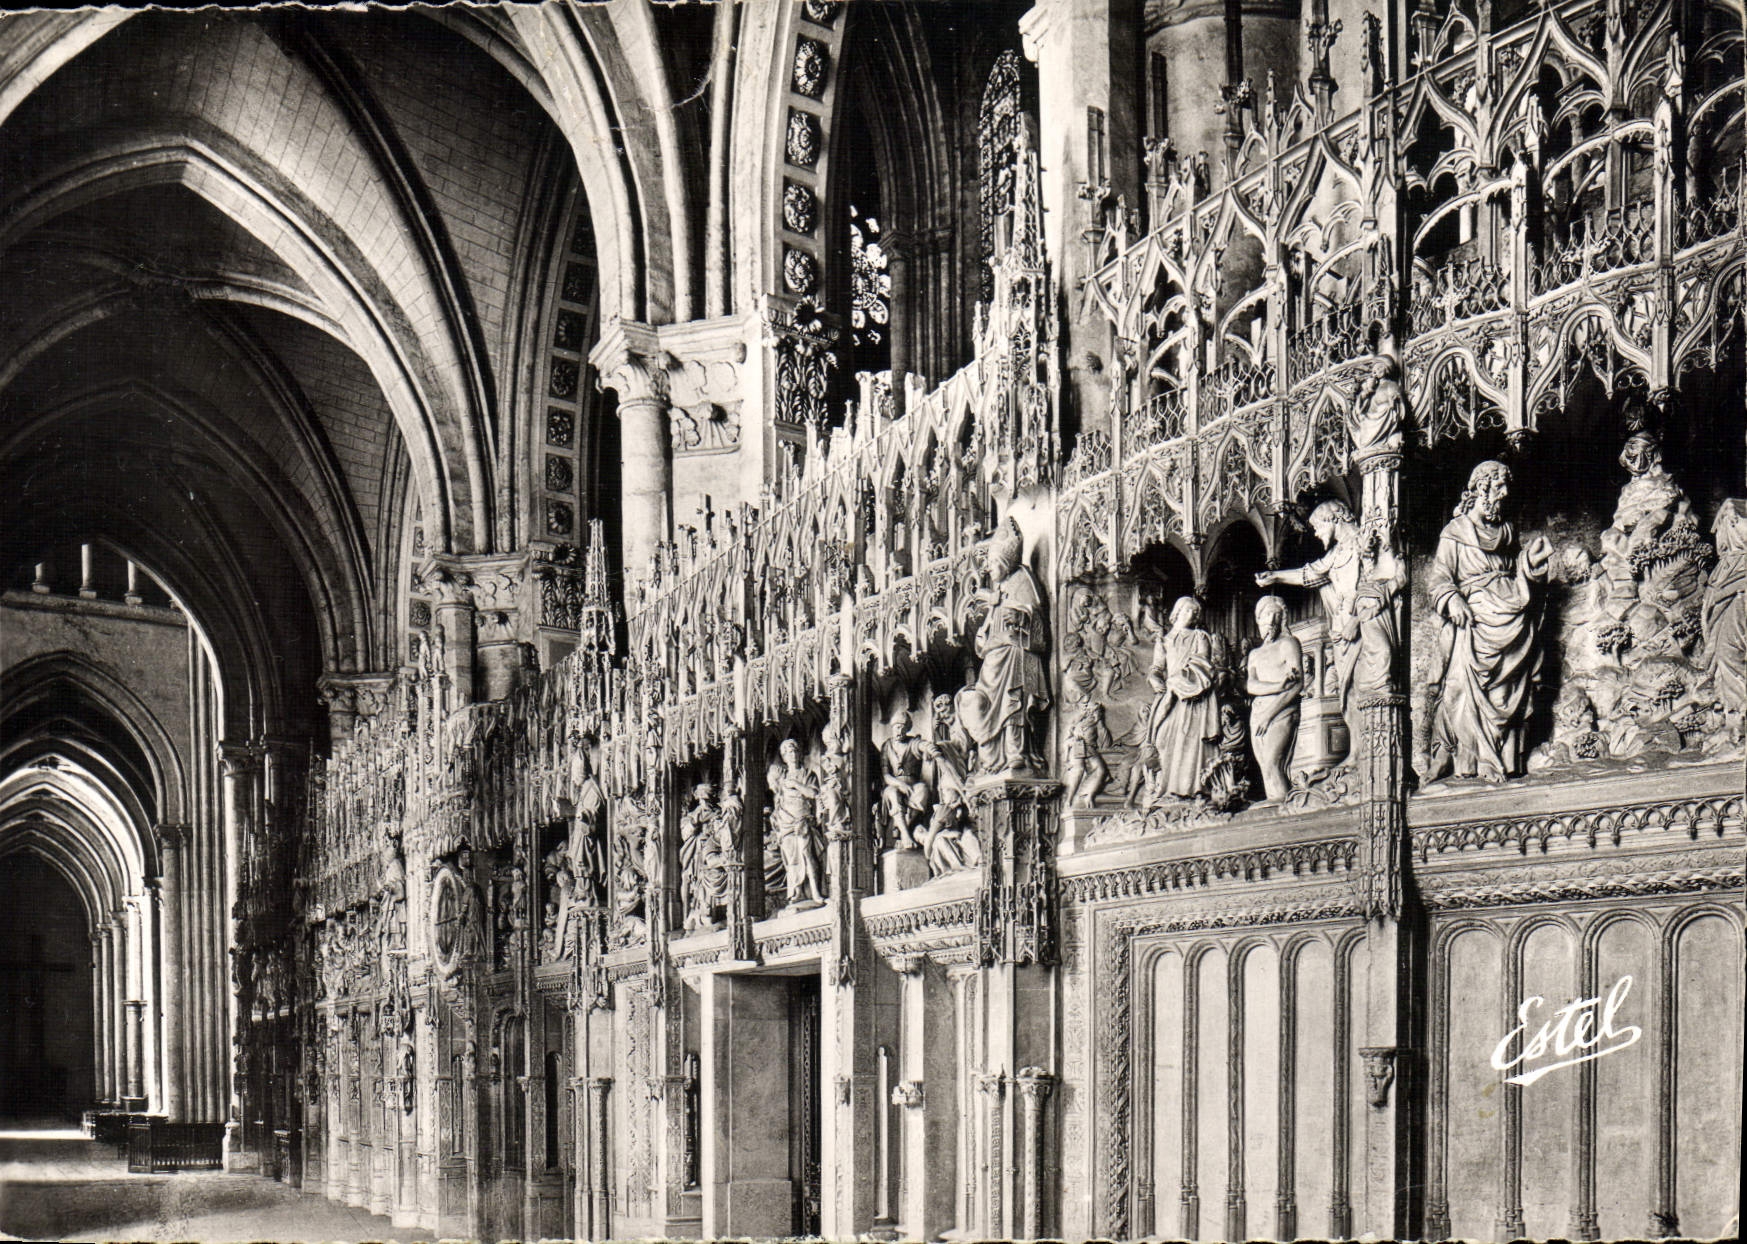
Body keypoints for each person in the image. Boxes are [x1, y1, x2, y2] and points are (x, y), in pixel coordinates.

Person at [1426, 460, 1552, 782]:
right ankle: (1469, 760)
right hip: (1474, 622)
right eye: (1498, 487)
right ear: (1481, 488)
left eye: (1505, 487)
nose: (1504, 494)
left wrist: (1531, 564)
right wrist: (1452, 599)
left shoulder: (1507, 532)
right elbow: (1439, 578)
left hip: (1511, 616)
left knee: (1507, 693)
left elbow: (1514, 571)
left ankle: (1507, 761)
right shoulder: (1455, 533)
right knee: (1461, 691)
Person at [1256, 499, 1362, 763]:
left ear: (1333, 518)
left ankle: (1367, 753)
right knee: (1348, 693)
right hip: (1342, 634)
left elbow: (1378, 586)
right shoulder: (1337, 554)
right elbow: (1309, 574)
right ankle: (1359, 751)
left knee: (1362, 690)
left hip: (1361, 629)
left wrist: (1357, 620)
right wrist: (1276, 577)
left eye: (1317, 527)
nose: (1316, 533)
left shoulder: (1363, 542)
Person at [956, 518, 1050, 774]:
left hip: (1016, 655)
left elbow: (1037, 619)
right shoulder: (999, 590)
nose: (987, 570)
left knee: (1014, 702)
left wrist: (1022, 618)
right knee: (980, 702)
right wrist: (982, 638)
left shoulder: (1022, 580)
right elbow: (986, 629)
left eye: (992, 565)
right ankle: (992, 761)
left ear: (1005, 563)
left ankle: (1015, 753)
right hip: (993, 661)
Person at [1144, 596, 1222, 799]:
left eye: (1196, 613)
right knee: (1164, 739)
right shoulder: (1165, 640)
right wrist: (1154, 678)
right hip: (1172, 695)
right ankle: (1168, 787)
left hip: (1194, 696)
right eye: (1189, 610)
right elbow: (1157, 667)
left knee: (1190, 742)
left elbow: (1202, 664)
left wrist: (1182, 680)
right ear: (1177, 611)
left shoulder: (1200, 636)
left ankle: (1193, 788)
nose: (1193, 615)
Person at [1246, 595, 1303, 800]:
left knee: (1273, 763)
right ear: (1259, 618)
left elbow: (1297, 685)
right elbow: (1251, 685)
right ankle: (1275, 804)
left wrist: (1269, 715)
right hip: (1258, 713)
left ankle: (1284, 808)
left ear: (1282, 619)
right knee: (1265, 769)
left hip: (1280, 711)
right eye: (1267, 615)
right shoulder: (1254, 654)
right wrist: (1278, 685)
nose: (1271, 620)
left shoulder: (1288, 644)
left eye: (1276, 615)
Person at [767, 739, 825, 907]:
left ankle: (815, 891)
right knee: (791, 858)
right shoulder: (781, 778)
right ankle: (796, 892)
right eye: (787, 752)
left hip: (802, 819)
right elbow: (777, 796)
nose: (792, 755)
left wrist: (796, 784)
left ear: (799, 754)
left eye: (794, 751)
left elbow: (813, 793)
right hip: (786, 822)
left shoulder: (807, 774)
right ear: (784, 757)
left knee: (807, 854)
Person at [878, 710, 931, 850]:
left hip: (913, 786)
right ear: (892, 727)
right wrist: (900, 784)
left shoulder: (913, 742)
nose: (899, 730)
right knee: (892, 793)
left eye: (903, 727)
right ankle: (906, 835)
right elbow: (885, 775)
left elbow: (922, 745)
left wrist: (928, 749)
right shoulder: (887, 746)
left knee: (923, 790)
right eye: (896, 726)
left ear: (907, 728)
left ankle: (903, 830)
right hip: (893, 785)